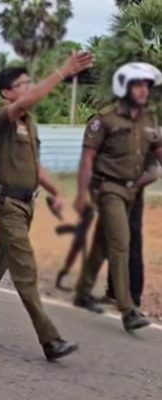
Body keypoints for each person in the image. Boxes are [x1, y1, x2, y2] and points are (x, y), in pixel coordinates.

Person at [0, 52, 93, 361]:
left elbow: (33, 163)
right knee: (24, 267)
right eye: (23, 85)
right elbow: (25, 103)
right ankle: (50, 340)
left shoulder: (28, 124)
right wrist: (62, 72)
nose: (29, 89)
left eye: (30, 83)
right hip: (5, 203)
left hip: (24, 203)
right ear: (7, 92)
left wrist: (55, 191)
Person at [73, 62, 162, 332]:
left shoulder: (149, 120)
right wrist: (81, 193)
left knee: (103, 242)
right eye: (138, 85)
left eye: (147, 86)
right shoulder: (105, 119)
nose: (143, 90)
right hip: (107, 189)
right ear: (124, 87)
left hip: (132, 190)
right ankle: (128, 309)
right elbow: (87, 159)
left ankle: (83, 290)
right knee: (121, 244)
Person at [78, 153, 159, 310]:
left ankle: (132, 297)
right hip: (112, 193)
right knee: (112, 240)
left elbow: (153, 173)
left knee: (130, 242)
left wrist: (132, 186)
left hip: (129, 194)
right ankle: (114, 292)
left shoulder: (142, 141)